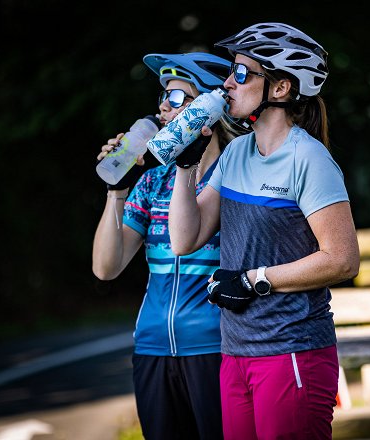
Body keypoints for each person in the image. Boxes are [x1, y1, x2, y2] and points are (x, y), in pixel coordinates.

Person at [168, 23, 360, 440]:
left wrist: (257, 280)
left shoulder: (308, 159)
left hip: (292, 351)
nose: (227, 83)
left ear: (280, 89)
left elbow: (342, 259)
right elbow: (185, 239)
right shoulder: (237, 152)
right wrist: (186, 166)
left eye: (241, 73)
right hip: (235, 352)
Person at [92, 52, 246, 439]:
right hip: (153, 347)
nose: (163, 106)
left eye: (177, 98)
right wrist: (117, 191)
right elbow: (106, 268)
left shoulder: (240, 176)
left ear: (210, 108)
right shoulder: (152, 182)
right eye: (163, 96)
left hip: (217, 347)